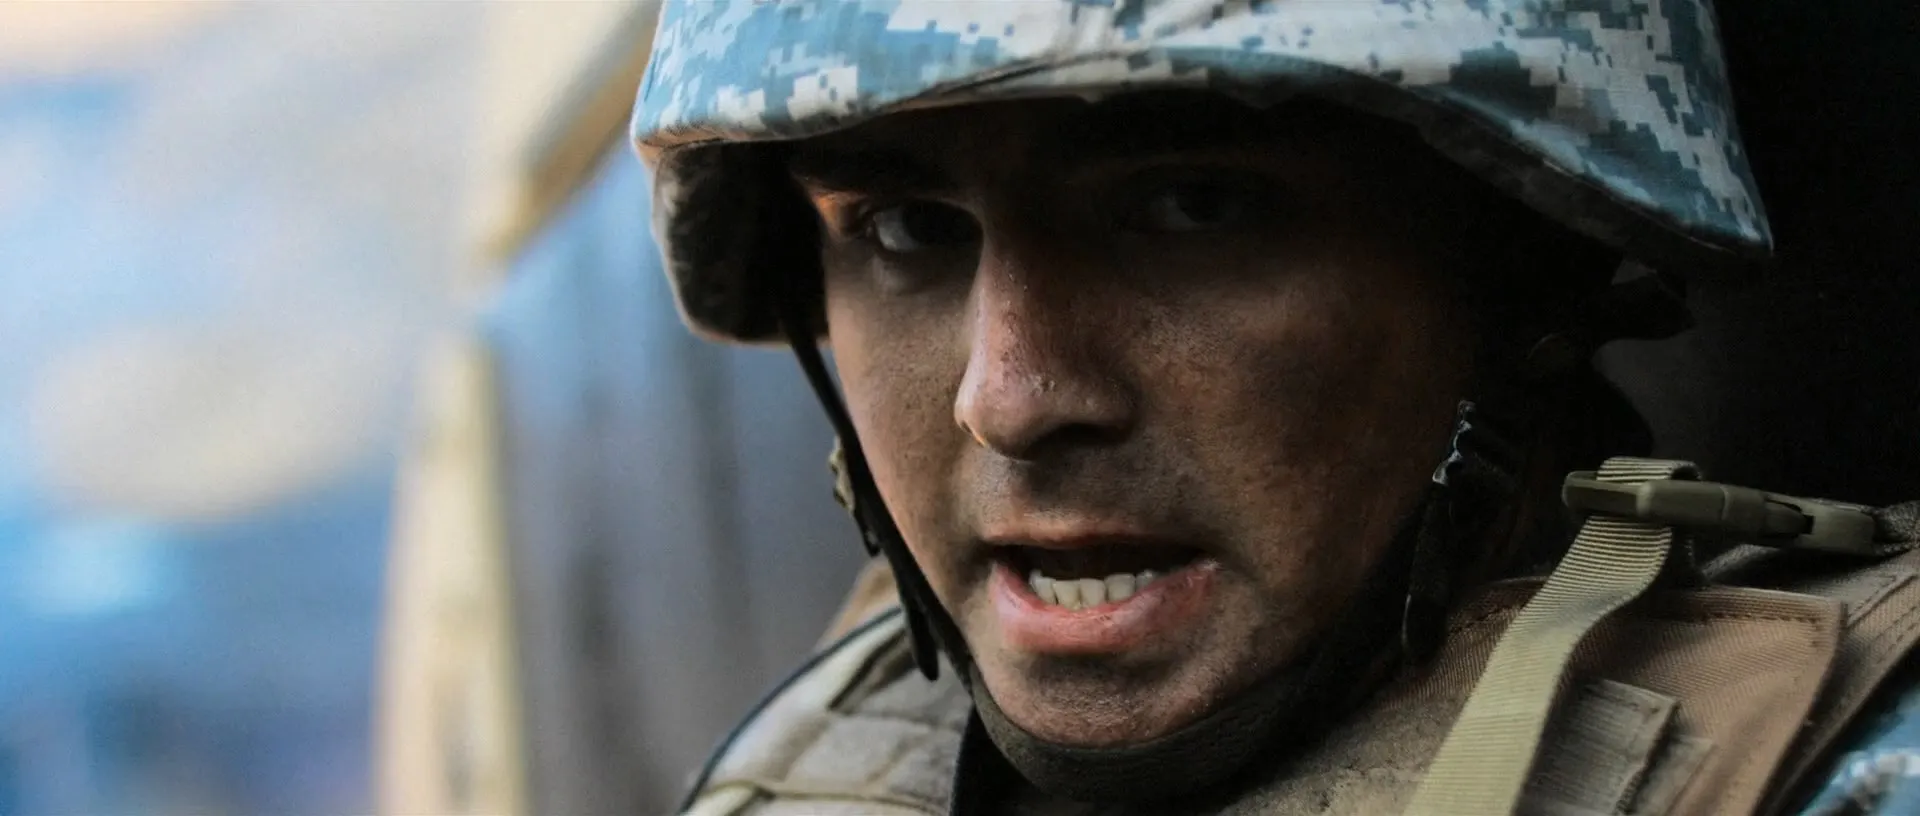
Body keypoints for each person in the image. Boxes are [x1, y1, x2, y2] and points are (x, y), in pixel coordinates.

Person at [627, 2, 1920, 813]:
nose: (1010, 401)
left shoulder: (1850, 771)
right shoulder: (823, 753)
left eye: (1194, 206)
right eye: (909, 228)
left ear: (1533, 250)